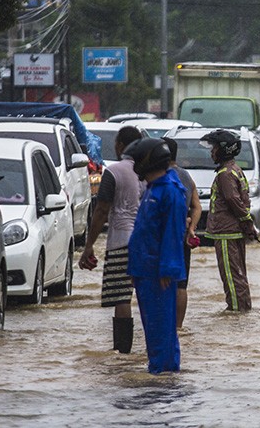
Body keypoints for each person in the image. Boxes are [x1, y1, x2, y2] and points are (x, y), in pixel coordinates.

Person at [124, 138, 188, 374]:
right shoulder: (154, 189)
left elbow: (173, 233)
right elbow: (143, 232)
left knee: (161, 329)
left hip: (158, 273)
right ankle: (160, 373)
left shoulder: (170, 191)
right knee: (153, 329)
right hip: (144, 270)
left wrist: (168, 269)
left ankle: (163, 377)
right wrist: (133, 268)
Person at [78, 126, 143, 354]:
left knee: (121, 297)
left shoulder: (113, 172)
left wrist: (89, 246)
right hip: (146, 242)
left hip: (120, 242)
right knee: (145, 295)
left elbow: (101, 210)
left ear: (120, 146)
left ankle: (123, 352)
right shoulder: (148, 173)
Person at [200, 129, 256, 312]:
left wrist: (246, 221)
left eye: (214, 148)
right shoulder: (235, 170)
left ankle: (236, 311)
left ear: (224, 150)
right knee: (239, 273)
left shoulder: (225, 174)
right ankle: (243, 308)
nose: (211, 152)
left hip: (226, 232)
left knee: (231, 276)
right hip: (234, 230)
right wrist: (247, 223)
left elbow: (233, 200)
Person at [162, 137, 202, 330]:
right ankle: (178, 327)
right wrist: (192, 228)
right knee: (181, 284)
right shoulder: (186, 176)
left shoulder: (160, 176)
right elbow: (197, 207)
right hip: (183, 235)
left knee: (162, 282)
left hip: (164, 236)